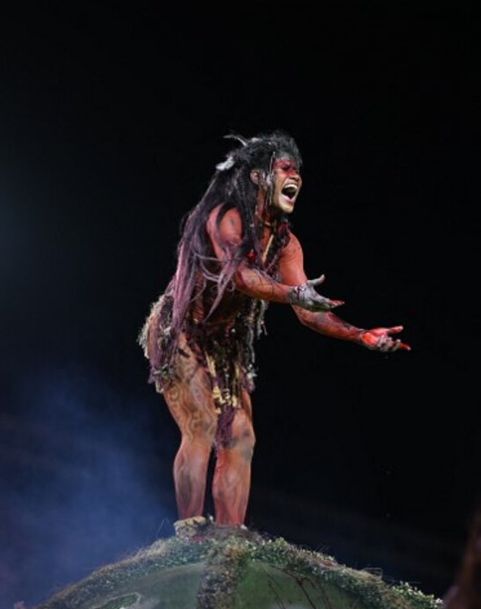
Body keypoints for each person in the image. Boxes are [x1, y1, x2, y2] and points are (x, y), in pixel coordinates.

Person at [140, 132, 409, 527]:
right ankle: (189, 535)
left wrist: (359, 334)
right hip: (182, 329)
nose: (295, 176)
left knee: (242, 438)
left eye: (298, 171)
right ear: (257, 177)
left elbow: (308, 312)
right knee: (201, 425)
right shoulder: (227, 217)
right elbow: (243, 278)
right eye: (285, 168)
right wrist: (294, 293)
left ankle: (228, 542)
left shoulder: (286, 243)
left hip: (226, 343)